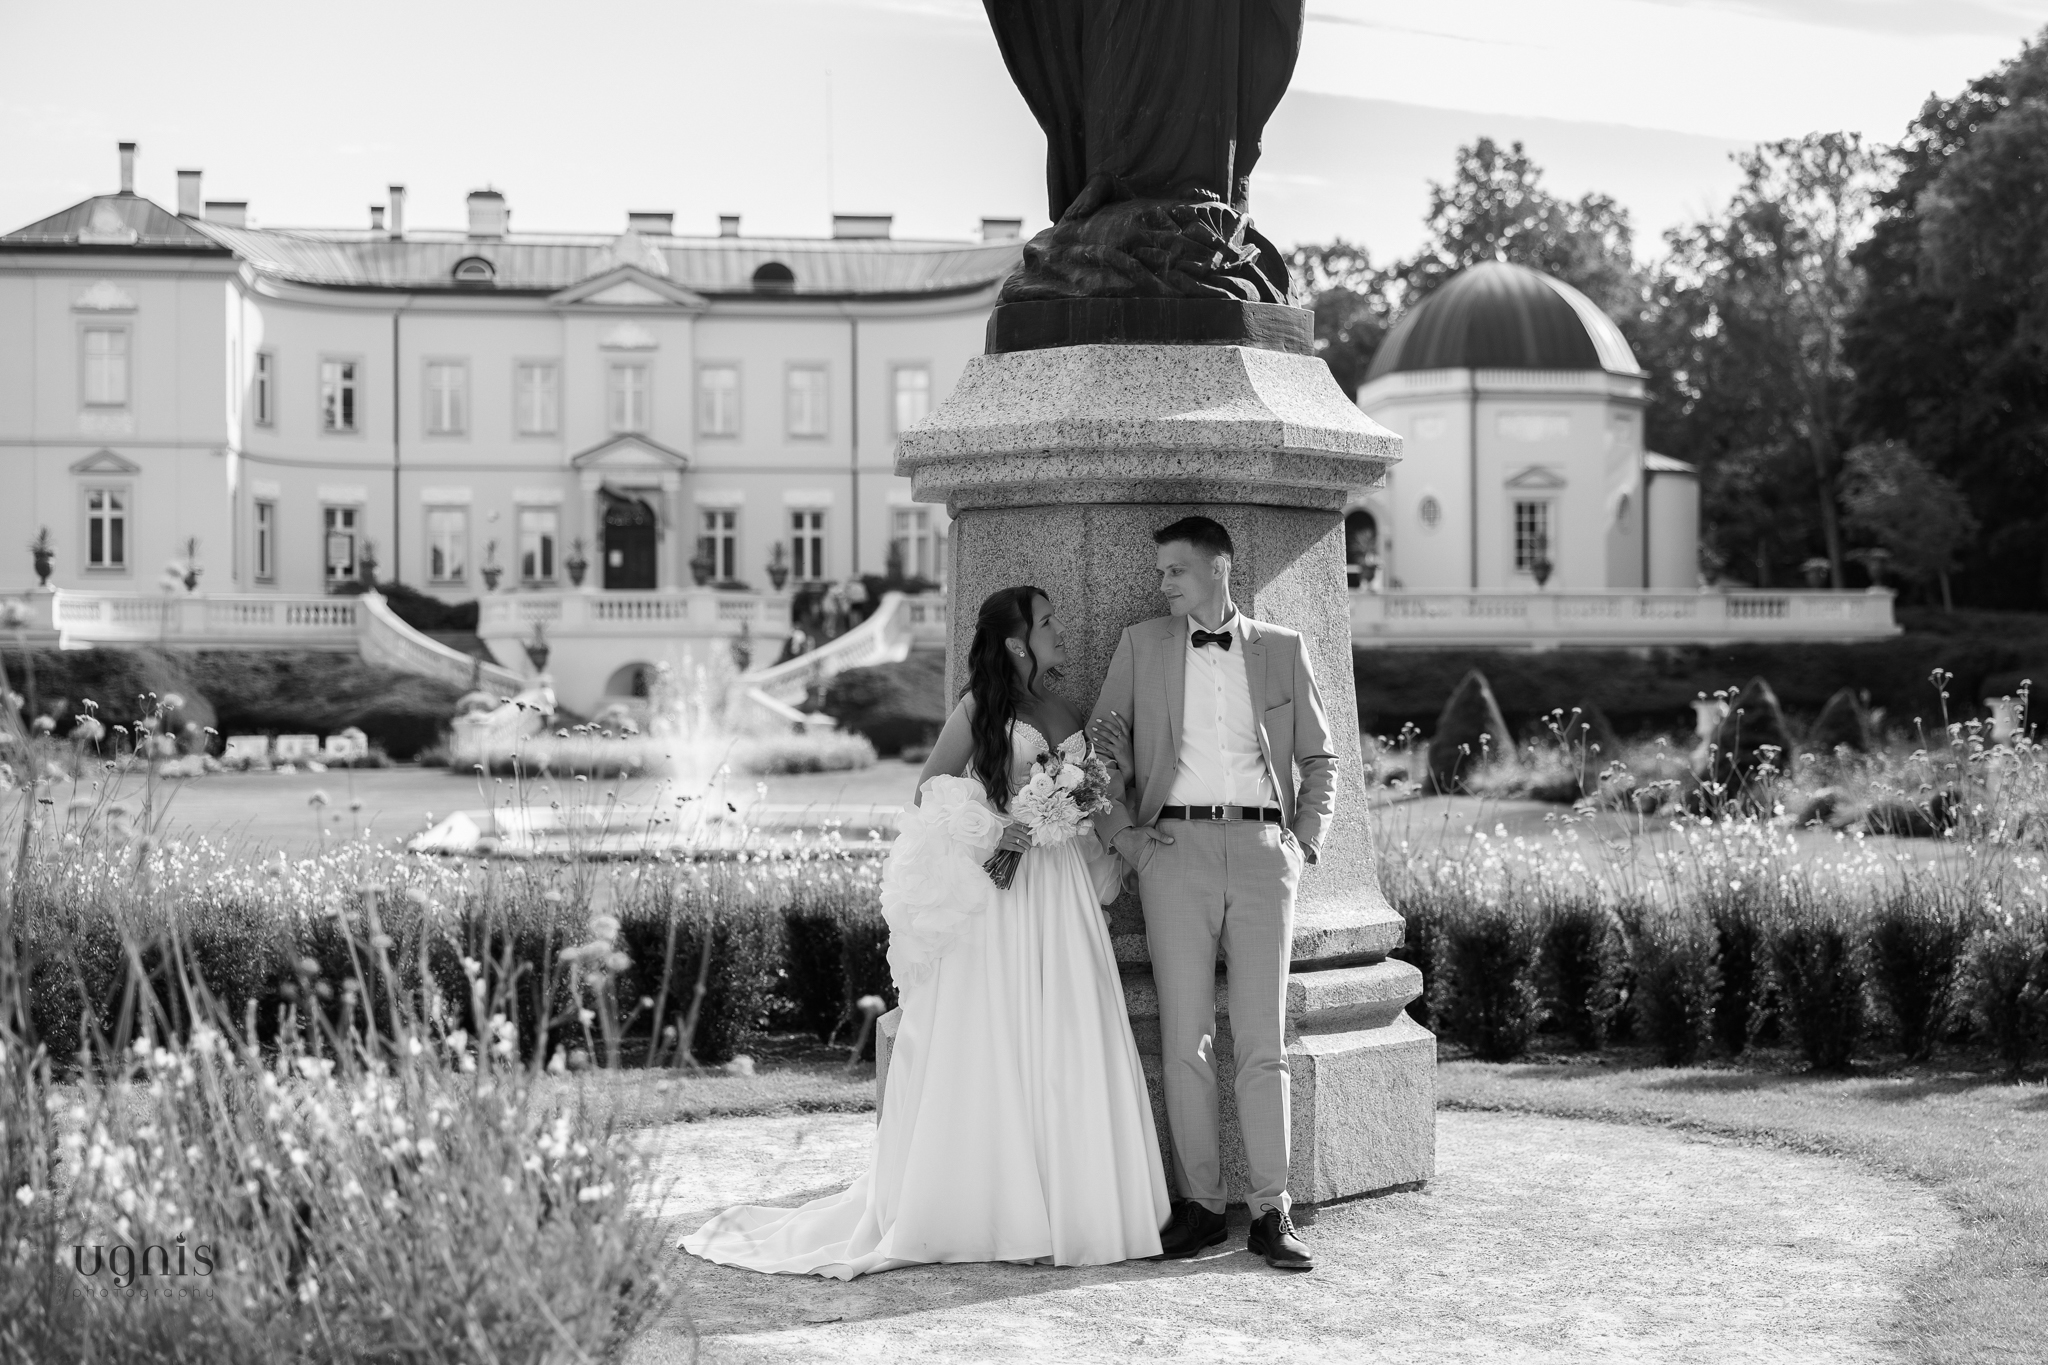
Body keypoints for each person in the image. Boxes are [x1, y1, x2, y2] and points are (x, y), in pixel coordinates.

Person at [681, 586, 1168, 1278]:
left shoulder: (1064, 709)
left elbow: (1091, 794)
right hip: (1002, 894)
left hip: (1059, 889)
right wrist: (999, 829)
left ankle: (1071, 1208)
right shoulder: (979, 708)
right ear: (1016, 643)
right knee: (1000, 1035)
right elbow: (929, 789)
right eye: (1047, 622)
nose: (1059, 630)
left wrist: (1111, 773)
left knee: (1065, 1026)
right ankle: (995, 1209)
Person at [1088, 515, 1335, 1272]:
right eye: (1160, 571)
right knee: (1185, 1038)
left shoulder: (1283, 648)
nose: (1162, 583)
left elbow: (1320, 757)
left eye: (1175, 570)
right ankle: (1199, 1207)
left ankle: (1271, 1210)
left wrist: (1303, 842)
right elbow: (1098, 754)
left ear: (1218, 568)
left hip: (1264, 855)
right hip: (1174, 853)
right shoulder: (1142, 645)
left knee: (1263, 1040)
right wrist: (1126, 838)